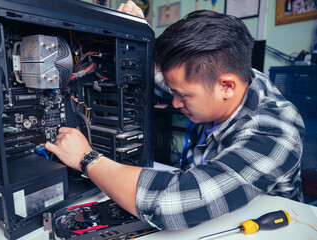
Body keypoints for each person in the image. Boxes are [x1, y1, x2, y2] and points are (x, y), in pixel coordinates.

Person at [45, 0, 305, 230]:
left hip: (264, 227)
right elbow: (162, 79)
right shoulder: (228, 80)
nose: (175, 102)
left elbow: (174, 203)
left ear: (227, 86)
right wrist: (140, 34)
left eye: (184, 95)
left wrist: (87, 158)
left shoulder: (274, 133)